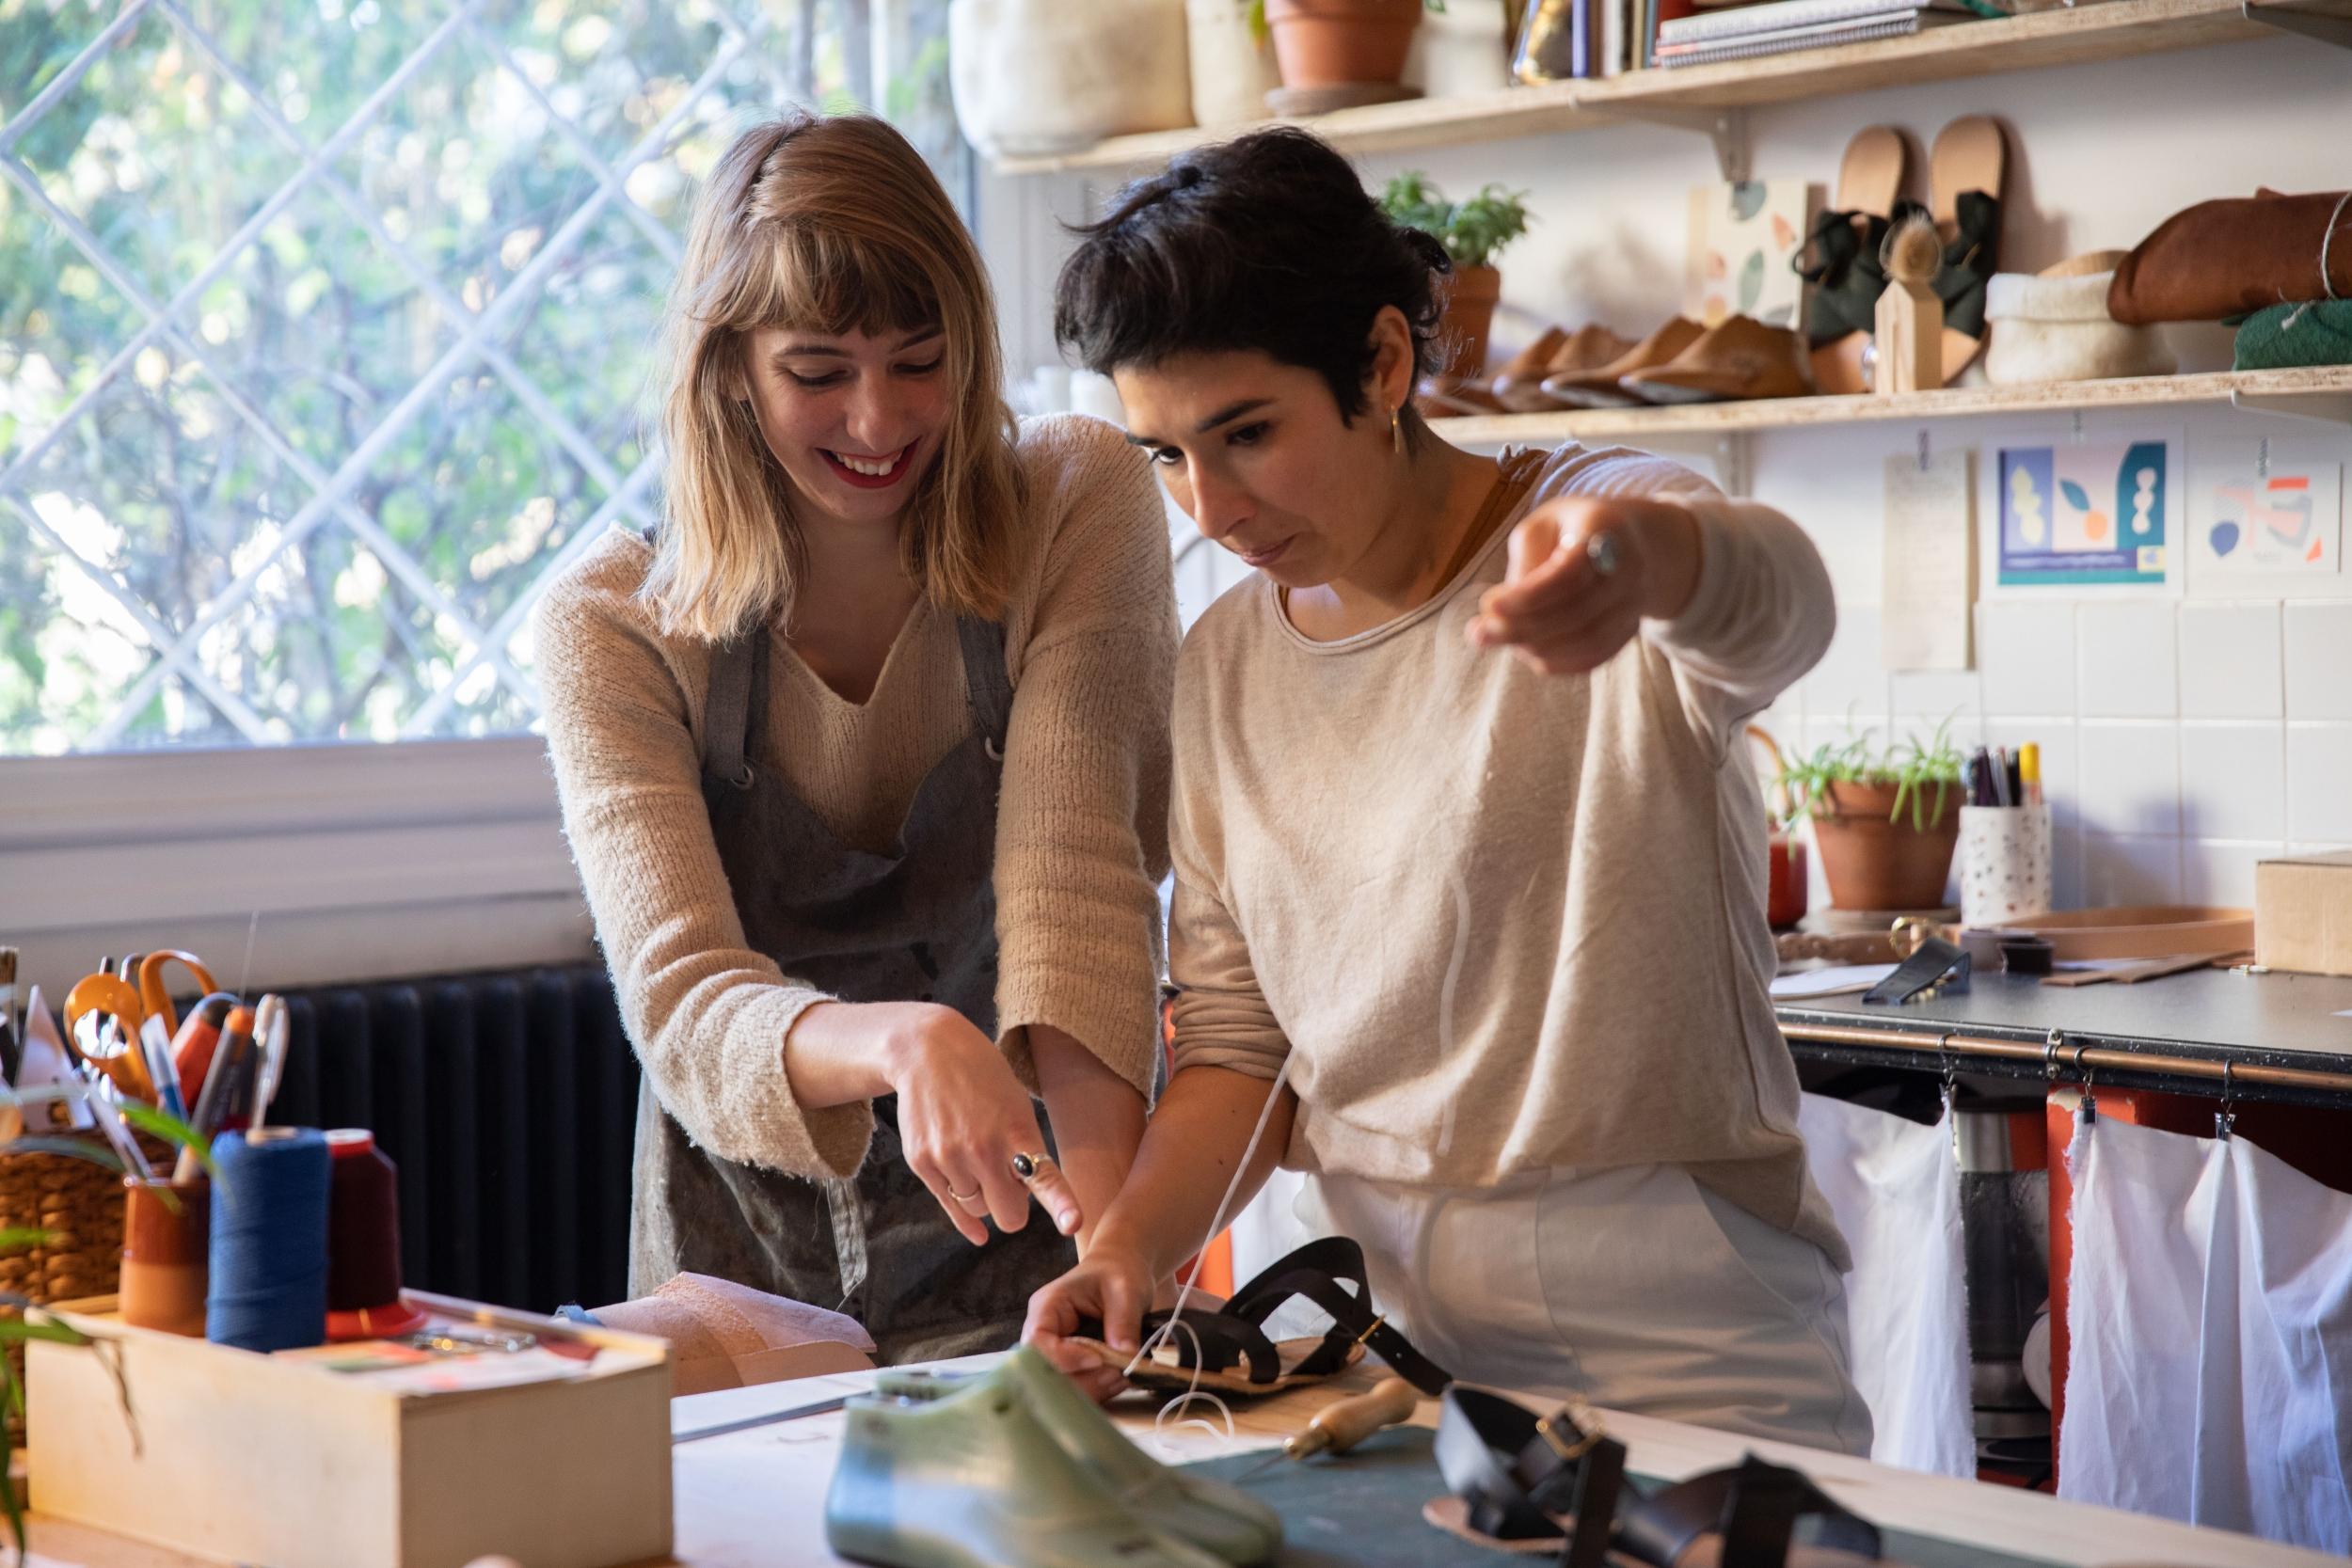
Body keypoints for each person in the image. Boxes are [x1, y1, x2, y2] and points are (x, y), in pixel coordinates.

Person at [1025, 127, 1873, 1453]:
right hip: (1382, 1338)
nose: (1213, 505)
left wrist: (1648, 563)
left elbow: (1786, 607)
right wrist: (1128, 1246)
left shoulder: (1597, 526)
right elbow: (1242, 1046)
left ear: (1382, 362)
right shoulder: (1225, 666)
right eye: (1167, 455)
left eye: (1247, 433)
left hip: (1682, 1319)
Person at [536, 112, 1177, 1362]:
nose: (879, 422)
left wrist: (1114, 1258)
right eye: (819, 372)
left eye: (920, 361)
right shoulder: (610, 621)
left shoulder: (1074, 503)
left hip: (1030, 1262)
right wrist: (904, 1038)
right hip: (745, 1299)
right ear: (730, 368)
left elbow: (1079, 893)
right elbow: (685, 1005)